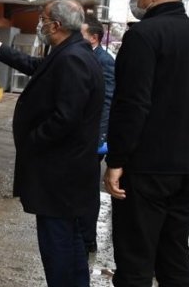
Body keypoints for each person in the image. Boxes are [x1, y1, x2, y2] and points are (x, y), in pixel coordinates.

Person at [103, 0, 189, 287]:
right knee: (174, 257)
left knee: (135, 261)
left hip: (148, 170)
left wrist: (116, 160)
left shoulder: (143, 36)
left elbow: (132, 104)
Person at [0, 0, 103, 287]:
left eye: (43, 19)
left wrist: (32, 141)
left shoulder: (73, 58)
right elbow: (36, 66)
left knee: (58, 245)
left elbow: (66, 118)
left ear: (56, 25)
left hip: (59, 173)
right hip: (66, 173)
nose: (40, 24)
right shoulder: (69, 51)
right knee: (71, 239)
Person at [80, 13, 115, 253]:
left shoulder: (104, 60)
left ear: (94, 37)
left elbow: (107, 100)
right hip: (81, 134)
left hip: (93, 137)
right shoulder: (84, 55)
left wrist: (100, 136)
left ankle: (87, 238)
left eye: (80, 33)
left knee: (87, 187)